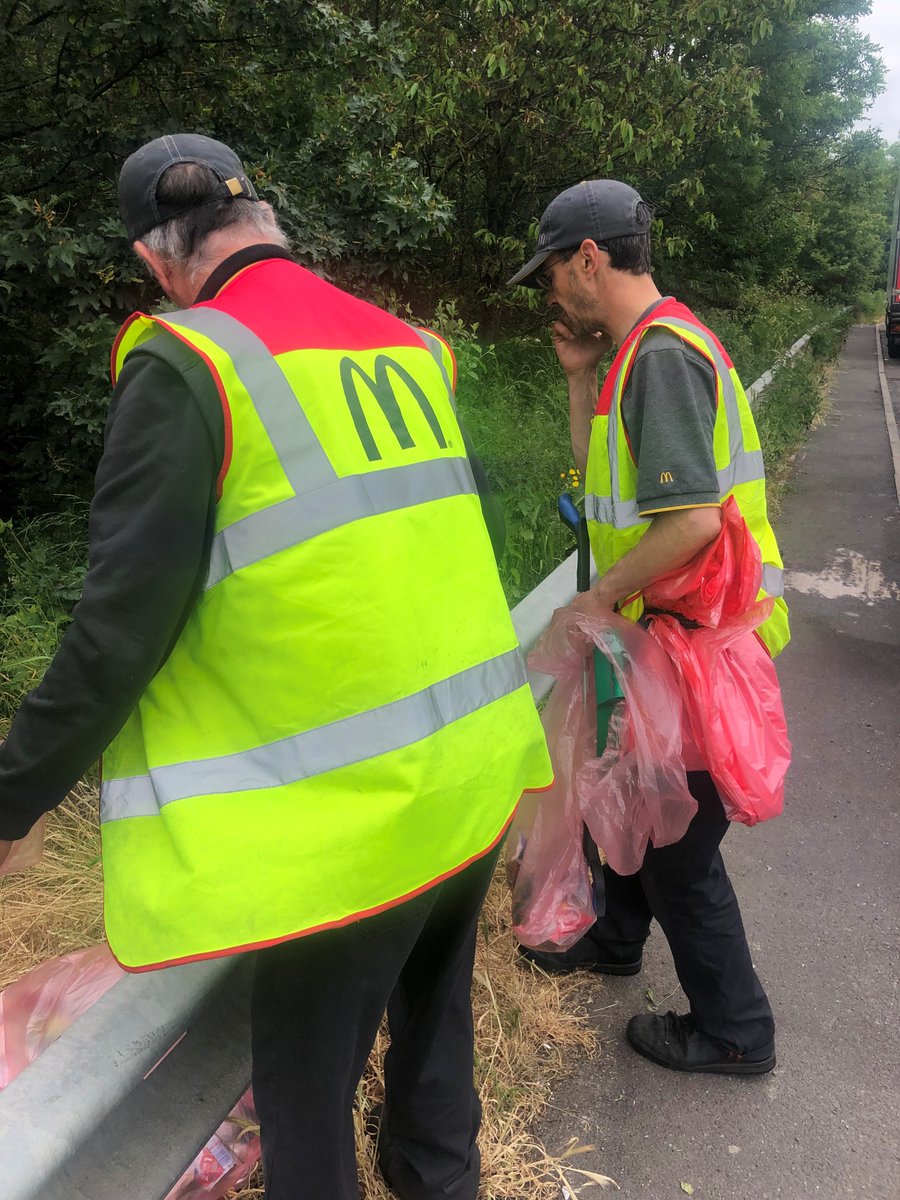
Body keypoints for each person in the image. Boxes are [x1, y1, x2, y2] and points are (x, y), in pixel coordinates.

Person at [0, 133, 552, 1199]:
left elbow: (120, 628)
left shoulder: (188, 358)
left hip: (348, 831)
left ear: (155, 262)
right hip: (471, 770)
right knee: (436, 1028)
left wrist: (14, 799)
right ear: (266, 217)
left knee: (305, 1112)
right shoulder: (407, 345)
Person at [507, 179, 790, 1076]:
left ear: (589, 258)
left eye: (552, 270)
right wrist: (579, 377)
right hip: (667, 642)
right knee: (628, 799)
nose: (550, 290)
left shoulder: (662, 356)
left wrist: (599, 599)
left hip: (693, 643)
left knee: (677, 849)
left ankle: (737, 1032)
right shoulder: (638, 352)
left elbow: (691, 522)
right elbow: (615, 493)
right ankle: (617, 941)